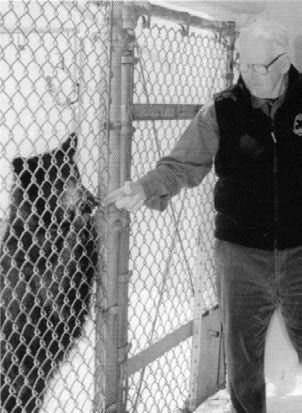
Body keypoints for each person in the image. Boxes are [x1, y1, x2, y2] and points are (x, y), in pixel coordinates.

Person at [104, 20, 302, 413]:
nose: (250, 76)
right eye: (243, 65)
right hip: (240, 256)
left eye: (261, 67)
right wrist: (145, 188)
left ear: (285, 63)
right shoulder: (222, 111)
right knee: (242, 360)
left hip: (300, 251)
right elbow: (181, 164)